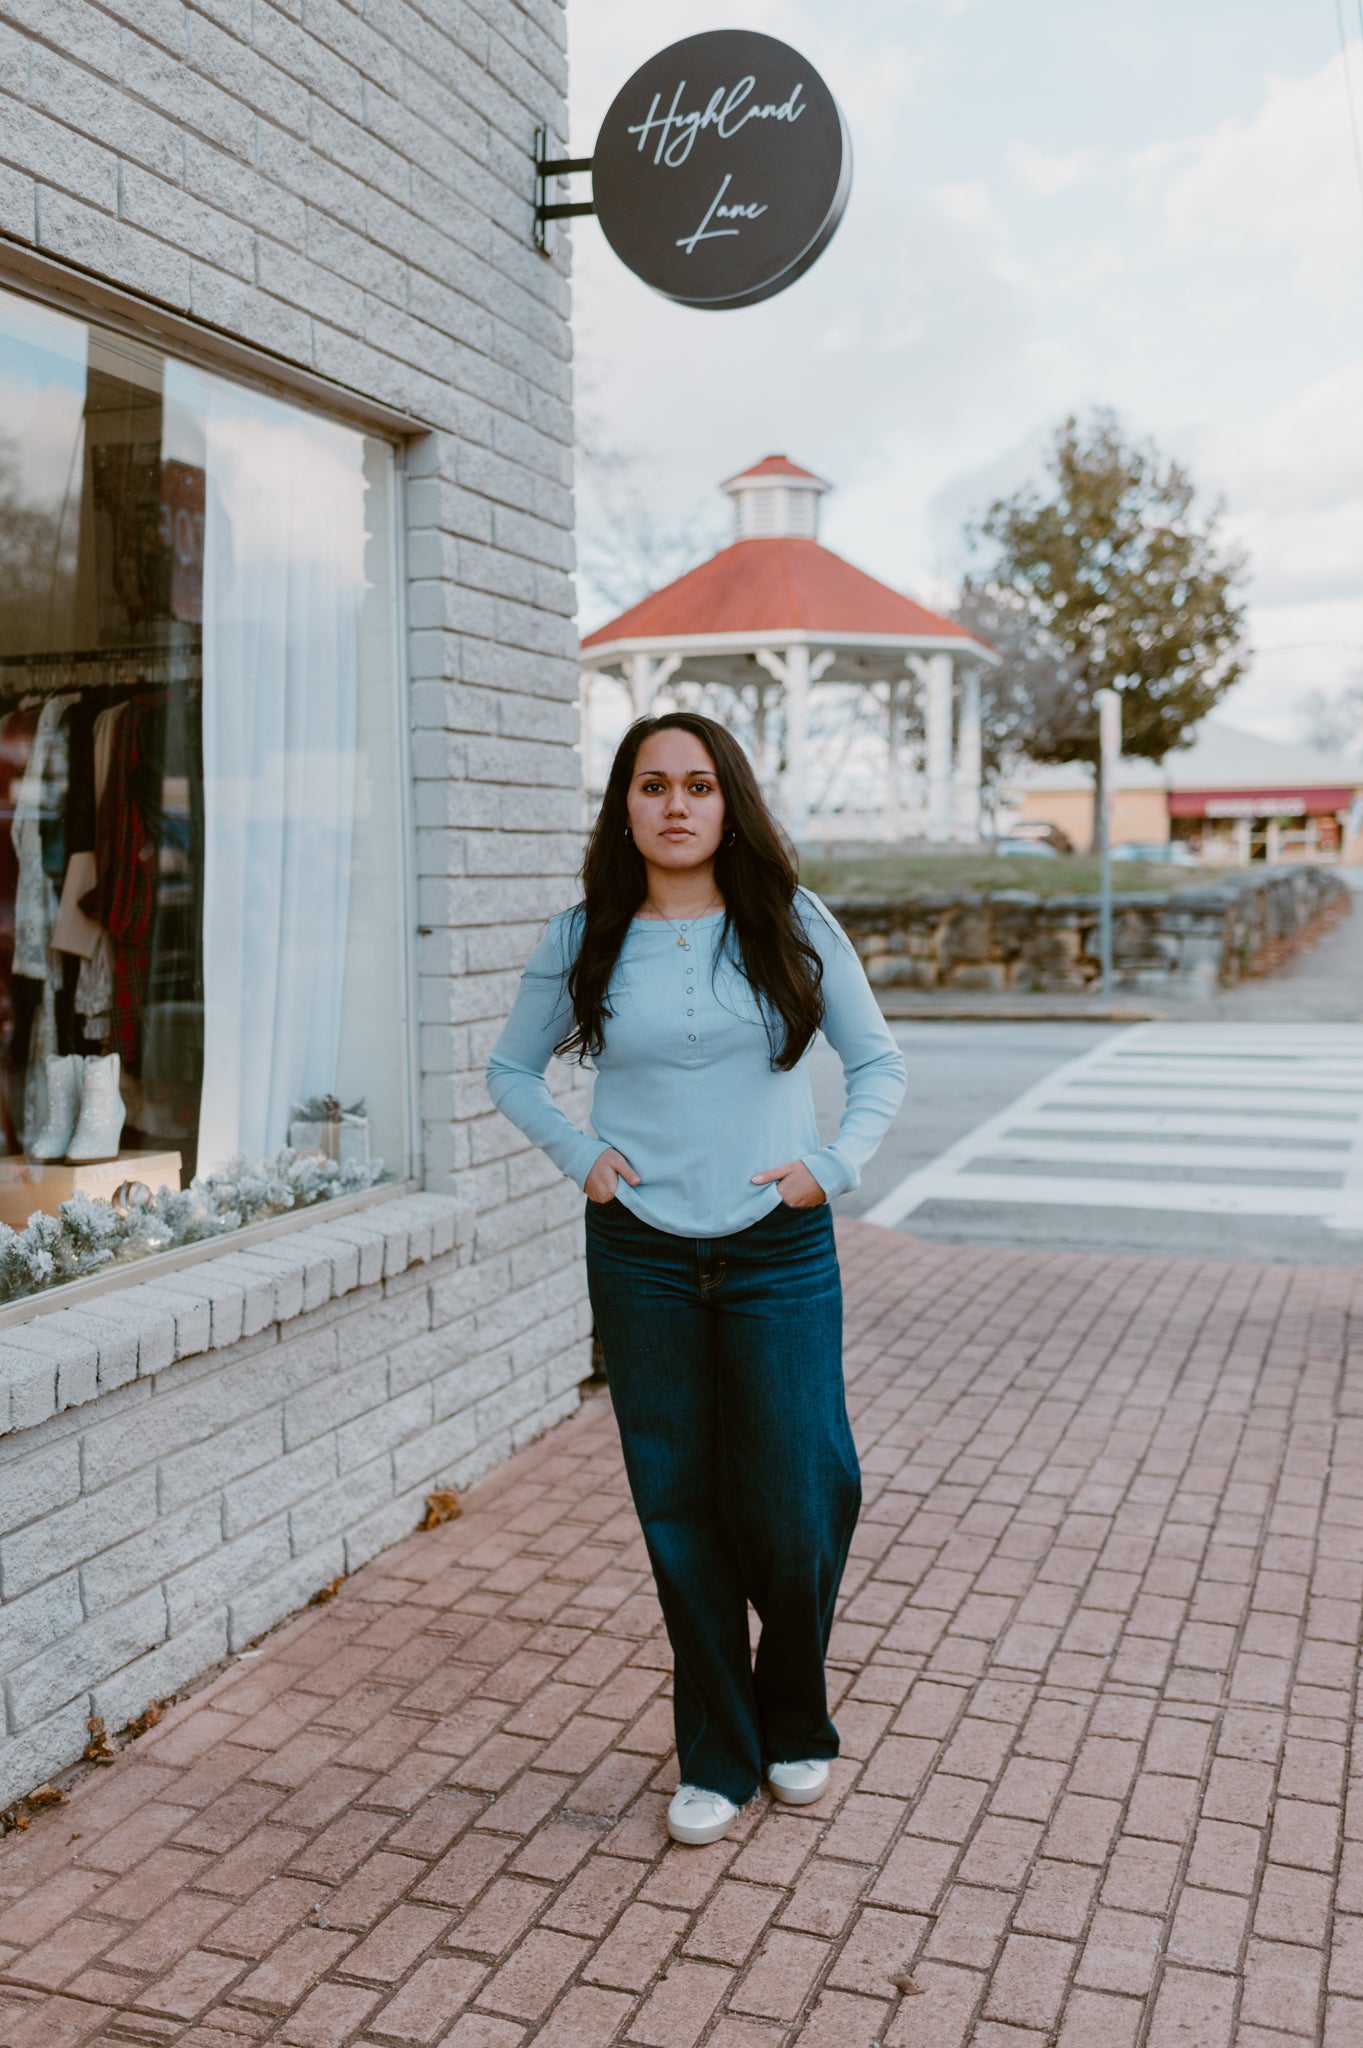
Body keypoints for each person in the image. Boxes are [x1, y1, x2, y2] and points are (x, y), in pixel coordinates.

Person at [486, 712, 905, 1845]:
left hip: (777, 1244)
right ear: (624, 804)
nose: (676, 804)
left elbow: (877, 1062)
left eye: (700, 785)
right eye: (653, 785)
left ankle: (794, 1708)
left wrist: (831, 1166)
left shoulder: (788, 920)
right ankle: (718, 1750)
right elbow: (509, 1068)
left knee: (804, 1489)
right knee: (679, 1500)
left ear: (730, 803)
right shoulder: (586, 931)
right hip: (641, 1249)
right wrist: (584, 1157)